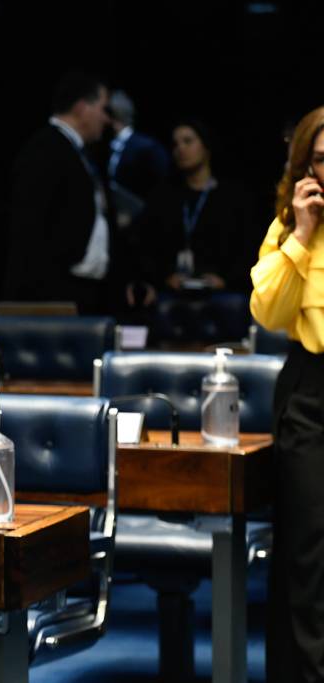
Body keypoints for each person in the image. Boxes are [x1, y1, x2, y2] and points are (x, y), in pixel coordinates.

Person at [250, 105, 324, 683]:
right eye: (321, 160)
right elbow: (268, 312)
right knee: (308, 550)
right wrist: (300, 234)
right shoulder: (289, 223)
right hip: (310, 394)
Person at [3, 72, 115, 313]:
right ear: (82, 107)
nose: (106, 119)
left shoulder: (77, 151)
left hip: (81, 290)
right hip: (53, 293)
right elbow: (29, 230)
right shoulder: (45, 150)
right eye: (103, 109)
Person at [129, 119, 253, 306]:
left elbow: (248, 246)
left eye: (188, 141)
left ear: (205, 146)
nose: (180, 149)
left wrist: (226, 279)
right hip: (172, 292)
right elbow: (145, 245)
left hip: (223, 294)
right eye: (176, 144)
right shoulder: (163, 196)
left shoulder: (233, 197)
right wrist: (165, 276)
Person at [105, 90, 169, 229]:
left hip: (141, 226)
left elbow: (162, 189)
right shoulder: (103, 147)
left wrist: (137, 216)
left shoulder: (147, 147)